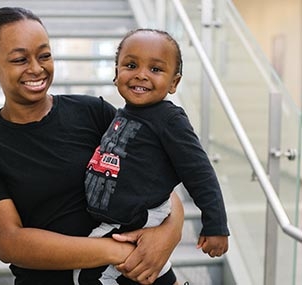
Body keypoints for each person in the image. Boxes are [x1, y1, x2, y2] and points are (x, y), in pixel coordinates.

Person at [0, 7, 185, 285]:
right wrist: (118, 251)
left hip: (139, 275)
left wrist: (169, 233)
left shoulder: (92, 111)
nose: (36, 68)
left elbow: (156, 183)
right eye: (19, 59)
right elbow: (10, 242)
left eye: (45, 55)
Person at [73, 29, 230, 285]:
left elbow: (200, 173)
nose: (141, 74)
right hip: (119, 217)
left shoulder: (170, 120)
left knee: (89, 275)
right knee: (142, 273)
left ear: (174, 83)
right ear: (116, 72)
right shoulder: (123, 114)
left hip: (137, 215)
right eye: (131, 65)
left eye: (156, 69)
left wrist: (216, 226)